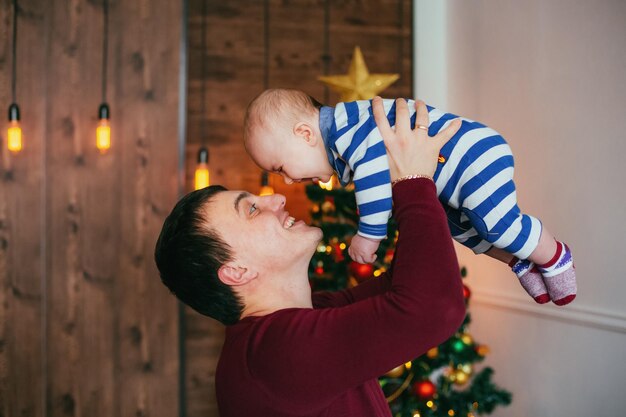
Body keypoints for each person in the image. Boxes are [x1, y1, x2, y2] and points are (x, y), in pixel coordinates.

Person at [154, 98, 466, 417]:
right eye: (250, 209)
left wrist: (414, 179)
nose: (274, 198)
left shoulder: (306, 316)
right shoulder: (272, 354)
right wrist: (413, 182)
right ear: (236, 271)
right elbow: (435, 308)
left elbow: (404, 283)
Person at [243, 89, 577, 306]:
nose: (287, 179)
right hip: (448, 177)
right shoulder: (343, 141)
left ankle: (553, 254)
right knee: (461, 229)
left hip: (471, 157)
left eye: (281, 167)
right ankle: (518, 260)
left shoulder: (348, 132)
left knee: (498, 224)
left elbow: (373, 174)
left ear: (304, 134)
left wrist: (369, 235)